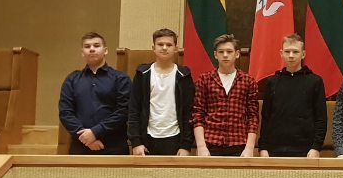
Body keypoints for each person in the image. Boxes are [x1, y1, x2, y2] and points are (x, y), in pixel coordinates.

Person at [58, 30, 131, 155]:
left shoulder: (121, 78)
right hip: (80, 146)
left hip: (114, 147)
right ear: (82, 52)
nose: (91, 49)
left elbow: (123, 111)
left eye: (96, 46)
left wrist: (95, 132)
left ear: (105, 50)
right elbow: (65, 112)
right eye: (87, 46)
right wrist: (86, 138)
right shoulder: (72, 79)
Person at [127, 28, 193, 156]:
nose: (164, 48)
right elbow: (134, 109)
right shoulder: (142, 74)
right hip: (147, 139)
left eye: (169, 45)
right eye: (160, 44)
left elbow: (188, 112)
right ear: (153, 48)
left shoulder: (184, 76)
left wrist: (186, 145)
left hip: (175, 138)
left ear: (176, 49)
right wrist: (136, 142)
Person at [259, 34, 327, 158]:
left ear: (303, 54)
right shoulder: (272, 82)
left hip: (306, 150)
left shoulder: (315, 81)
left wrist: (316, 147)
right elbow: (265, 118)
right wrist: (263, 147)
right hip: (274, 149)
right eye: (287, 51)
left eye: (295, 52)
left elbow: (321, 118)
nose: (291, 55)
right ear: (281, 53)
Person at [192, 34, 259, 157]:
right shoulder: (205, 79)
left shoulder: (248, 81)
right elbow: (198, 114)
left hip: (239, 144)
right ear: (215, 54)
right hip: (210, 143)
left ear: (237, 54)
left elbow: (253, 117)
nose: (225, 55)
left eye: (229, 51)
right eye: (221, 52)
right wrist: (201, 146)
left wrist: (249, 148)